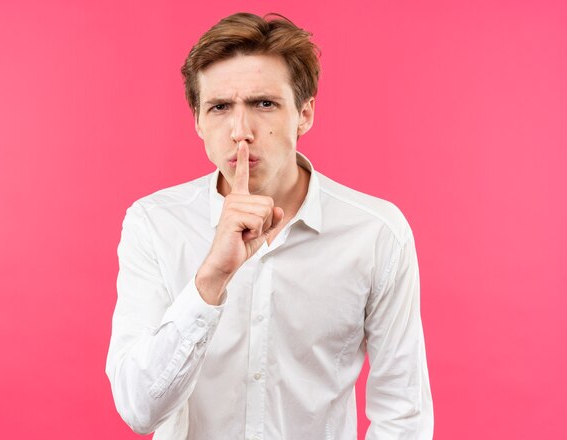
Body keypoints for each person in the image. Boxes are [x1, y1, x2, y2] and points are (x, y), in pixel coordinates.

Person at [106, 12, 433, 440]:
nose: (241, 131)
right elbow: (138, 409)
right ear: (198, 122)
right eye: (220, 107)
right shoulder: (154, 223)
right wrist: (212, 280)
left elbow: (403, 413)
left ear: (305, 114)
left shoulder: (376, 233)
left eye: (264, 104)